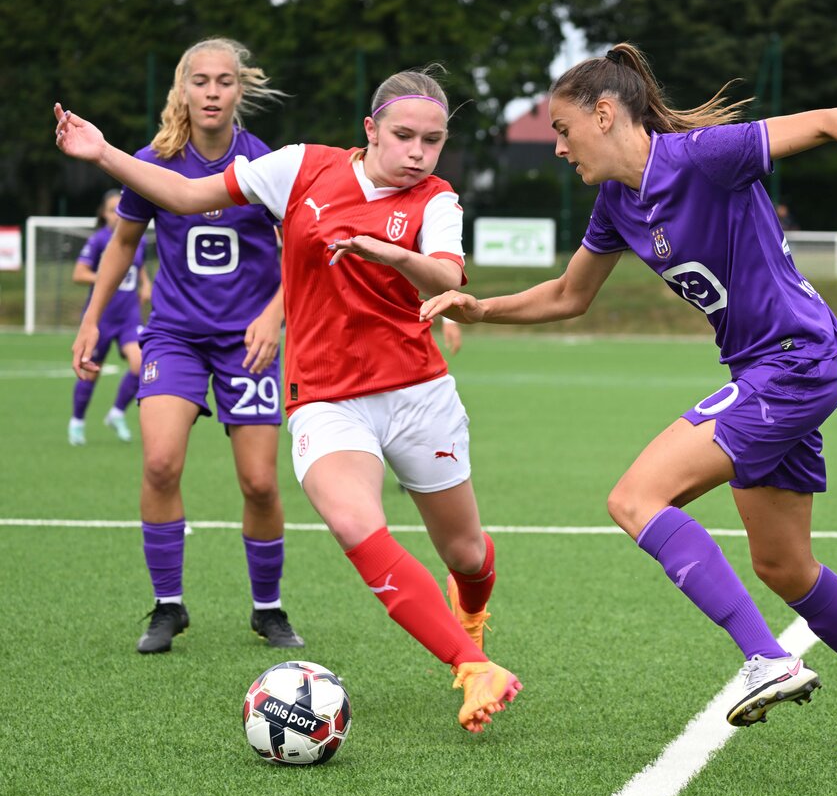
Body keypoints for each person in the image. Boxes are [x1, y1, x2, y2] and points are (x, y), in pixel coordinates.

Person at [420, 43, 837, 753]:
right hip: (768, 371)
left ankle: (767, 659)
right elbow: (569, 295)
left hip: (793, 364)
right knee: (783, 565)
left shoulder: (705, 157)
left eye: (562, 129)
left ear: (604, 114)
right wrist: (481, 309)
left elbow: (833, 118)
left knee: (635, 499)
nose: (558, 147)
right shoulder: (617, 202)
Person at [55, 66, 521, 734]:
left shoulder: (437, 200)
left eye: (433, 140)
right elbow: (185, 195)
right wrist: (103, 152)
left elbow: (445, 274)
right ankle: (473, 666)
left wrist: (390, 254)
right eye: (404, 136)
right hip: (326, 398)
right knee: (356, 525)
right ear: (371, 130)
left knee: (467, 555)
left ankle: (469, 614)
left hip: (418, 393)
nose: (418, 153)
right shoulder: (302, 167)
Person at [67, 38, 304, 655]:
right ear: (183, 89)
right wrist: (92, 319)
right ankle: (168, 605)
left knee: (259, 483)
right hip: (174, 336)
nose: (212, 92)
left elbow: (302, 252)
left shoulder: (265, 163)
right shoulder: (155, 161)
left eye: (224, 81)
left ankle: (268, 609)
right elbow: (123, 243)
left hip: (248, 343)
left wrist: (274, 316)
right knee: (160, 464)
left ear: (240, 90)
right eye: (201, 81)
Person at [68, 189, 152, 446]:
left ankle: (116, 413)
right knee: (90, 372)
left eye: (120, 208)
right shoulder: (98, 241)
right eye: (111, 210)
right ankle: (77, 422)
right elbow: (79, 274)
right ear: (103, 214)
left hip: (129, 316)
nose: (117, 214)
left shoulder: (138, 238)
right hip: (102, 318)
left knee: (141, 364)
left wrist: (145, 283)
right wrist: (108, 277)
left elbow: (138, 266)